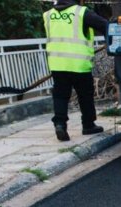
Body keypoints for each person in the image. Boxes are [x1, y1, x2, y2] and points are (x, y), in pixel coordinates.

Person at [43, 0, 108, 141]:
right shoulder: (82, 12)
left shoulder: (48, 15)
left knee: (60, 95)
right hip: (79, 63)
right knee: (85, 95)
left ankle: (60, 124)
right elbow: (105, 25)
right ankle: (88, 125)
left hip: (57, 63)